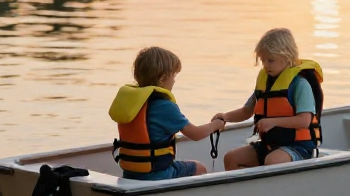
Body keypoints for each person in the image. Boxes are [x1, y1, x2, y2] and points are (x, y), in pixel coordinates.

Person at [214, 28, 324, 170]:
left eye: (271, 60)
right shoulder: (265, 83)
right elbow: (246, 111)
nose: (266, 65)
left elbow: (304, 121)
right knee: (231, 158)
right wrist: (224, 117)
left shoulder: (300, 84)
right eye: (263, 60)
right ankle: (242, 192)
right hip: (270, 145)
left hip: (298, 147)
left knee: (272, 161)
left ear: (287, 56)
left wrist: (274, 122)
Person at [109, 46, 223, 180]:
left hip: (130, 172)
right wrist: (216, 125)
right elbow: (195, 134)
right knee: (199, 168)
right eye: (173, 75)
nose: (174, 80)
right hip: (157, 174)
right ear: (162, 79)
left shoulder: (131, 103)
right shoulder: (164, 106)